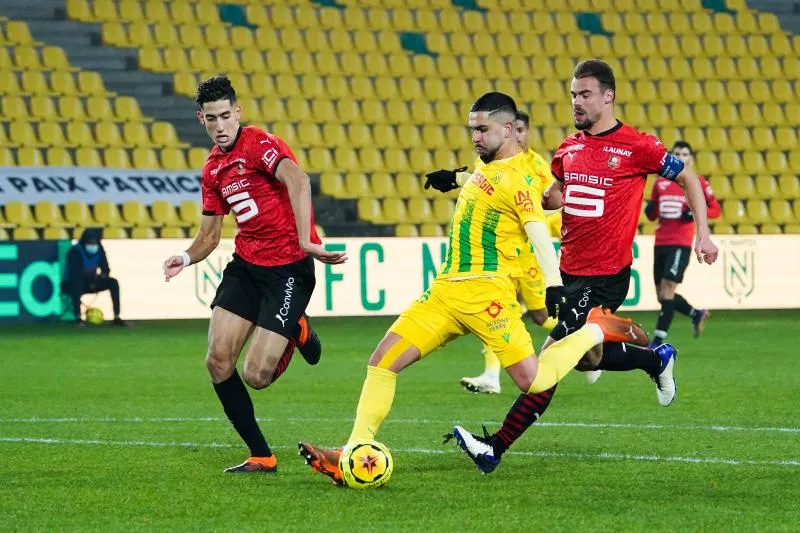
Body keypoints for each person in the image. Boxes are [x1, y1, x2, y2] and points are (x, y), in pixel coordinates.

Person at [297, 92, 649, 486]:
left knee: (532, 381)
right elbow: (486, 181)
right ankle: (355, 451)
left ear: (510, 129)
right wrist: (456, 177)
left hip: (487, 296)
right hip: (444, 293)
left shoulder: (516, 178)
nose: (475, 138)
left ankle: (596, 330)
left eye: (483, 129)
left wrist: (553, 283)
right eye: (472, 130)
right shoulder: (489, 168)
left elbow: (537, 232)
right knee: (382, 362)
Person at [450, 60, 719, 474]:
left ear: (608, 96)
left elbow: (689, 180)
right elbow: (553, 196)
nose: (576, 102)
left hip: (606, 274)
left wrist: (702, 232)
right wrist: (498, 193)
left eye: (585, 94)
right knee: (588, 359)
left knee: (551, 356)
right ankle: (655, 360)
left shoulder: (637, 145)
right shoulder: (569, 148)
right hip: (570, 270)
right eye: (573, 94)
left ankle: (494, 447)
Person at [161, 76, 347, 474]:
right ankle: (261, 454)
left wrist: (307, 241)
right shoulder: (212, 169)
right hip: (247, 267)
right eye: (212, 119)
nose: (220, 125)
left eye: (226, 115)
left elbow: (298, 179)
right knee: (217, 360)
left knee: (256, 376)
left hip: (288, 268)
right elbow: (209, 236)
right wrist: (184, 256)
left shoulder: (260, 144)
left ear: (238, 112)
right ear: (202, 119)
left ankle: (296, 328)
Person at [426, 111, 561, 394]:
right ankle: (491, 375)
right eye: (517, 130)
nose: (519, 135)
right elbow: (485, 185)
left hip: (527, 253)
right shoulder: (493, 163)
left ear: (525, 132)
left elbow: (546, 204)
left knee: (540, 316)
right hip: (499, 257)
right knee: (493, 309)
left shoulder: (536, 167)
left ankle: (586, 337)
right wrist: (454, 178)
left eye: (524, 130)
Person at [645, 141, 720, 347]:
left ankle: (657, 340)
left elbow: (715, 210)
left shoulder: (698, 183)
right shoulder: (660, 183)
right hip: (661, 241)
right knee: (662, 296)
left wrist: (692, 215)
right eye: (676, 153)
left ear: (691, 159)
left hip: (681, 242)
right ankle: (696, 314)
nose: (680, 156)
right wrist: (650, 209)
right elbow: (653, 215)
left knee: (668, 288)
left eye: (685, 154)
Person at [62, 228, 129, 326]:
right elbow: (74, 273)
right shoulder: (75, 251)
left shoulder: (100, 250)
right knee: (77, 284)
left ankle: (117, 316)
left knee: (113, 283)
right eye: (90, 242)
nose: (93, 245)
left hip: (92, 281)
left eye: (95, 242)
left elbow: (105, 268)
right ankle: (78, 317)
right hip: (72, 283)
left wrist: (103, 275)